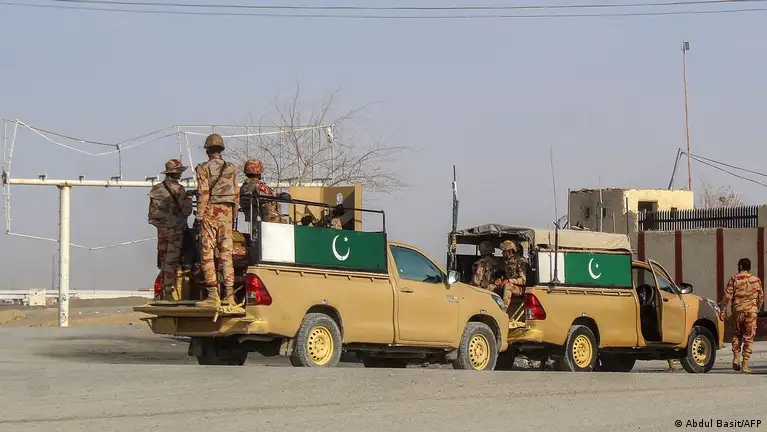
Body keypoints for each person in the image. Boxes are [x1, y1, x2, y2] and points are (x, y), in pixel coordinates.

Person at [194, 133, 240, 308]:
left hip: (211, 213)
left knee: (207, 253)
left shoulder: (203, 168)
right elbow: (236, 195)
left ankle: (213, 295)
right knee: (226, 255)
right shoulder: (232, 168)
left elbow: (204, 193)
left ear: (207, 150)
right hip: (227, 214)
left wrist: (199, 217)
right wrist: (232, 216)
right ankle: (230, 296)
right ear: (221, 149)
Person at [148, 159, 193, 301]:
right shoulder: (179, 189)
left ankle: (160, 292)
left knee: (163, 260)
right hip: (175, 229)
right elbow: (187, 211)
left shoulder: (156, 189)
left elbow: (153, 212)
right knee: (171, 261)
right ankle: (167, 292)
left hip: (161, 229)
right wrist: (189, 199)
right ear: (176, 172)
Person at [719, 257, 764, 373]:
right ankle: (745, 364)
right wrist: (756, 309)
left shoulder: (734, 278)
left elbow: (727, 296)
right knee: (749, 337)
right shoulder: (756, 280)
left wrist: (722, 310)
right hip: (751, 312)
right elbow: (761, 298)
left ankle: (736, 358)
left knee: (736, 334)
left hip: (737, 311)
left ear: (740, 267)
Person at [239, 159, 280, 223]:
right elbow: (267, 197)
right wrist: (279, 195)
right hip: (267, 219)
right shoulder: (258, 185)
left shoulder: (244, 187)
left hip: (253, 218)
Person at [493, 240, 527, 310]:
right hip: (508, 285)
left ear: (510, 251)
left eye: (504, 251)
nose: (502, 253)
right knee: (491, 286)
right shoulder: (505, 261)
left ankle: (503, 309)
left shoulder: (521, 261)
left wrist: (509, 280)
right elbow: (501, 273)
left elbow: (523, 280)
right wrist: (499, 279)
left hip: (521, 289)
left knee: (508, 285)